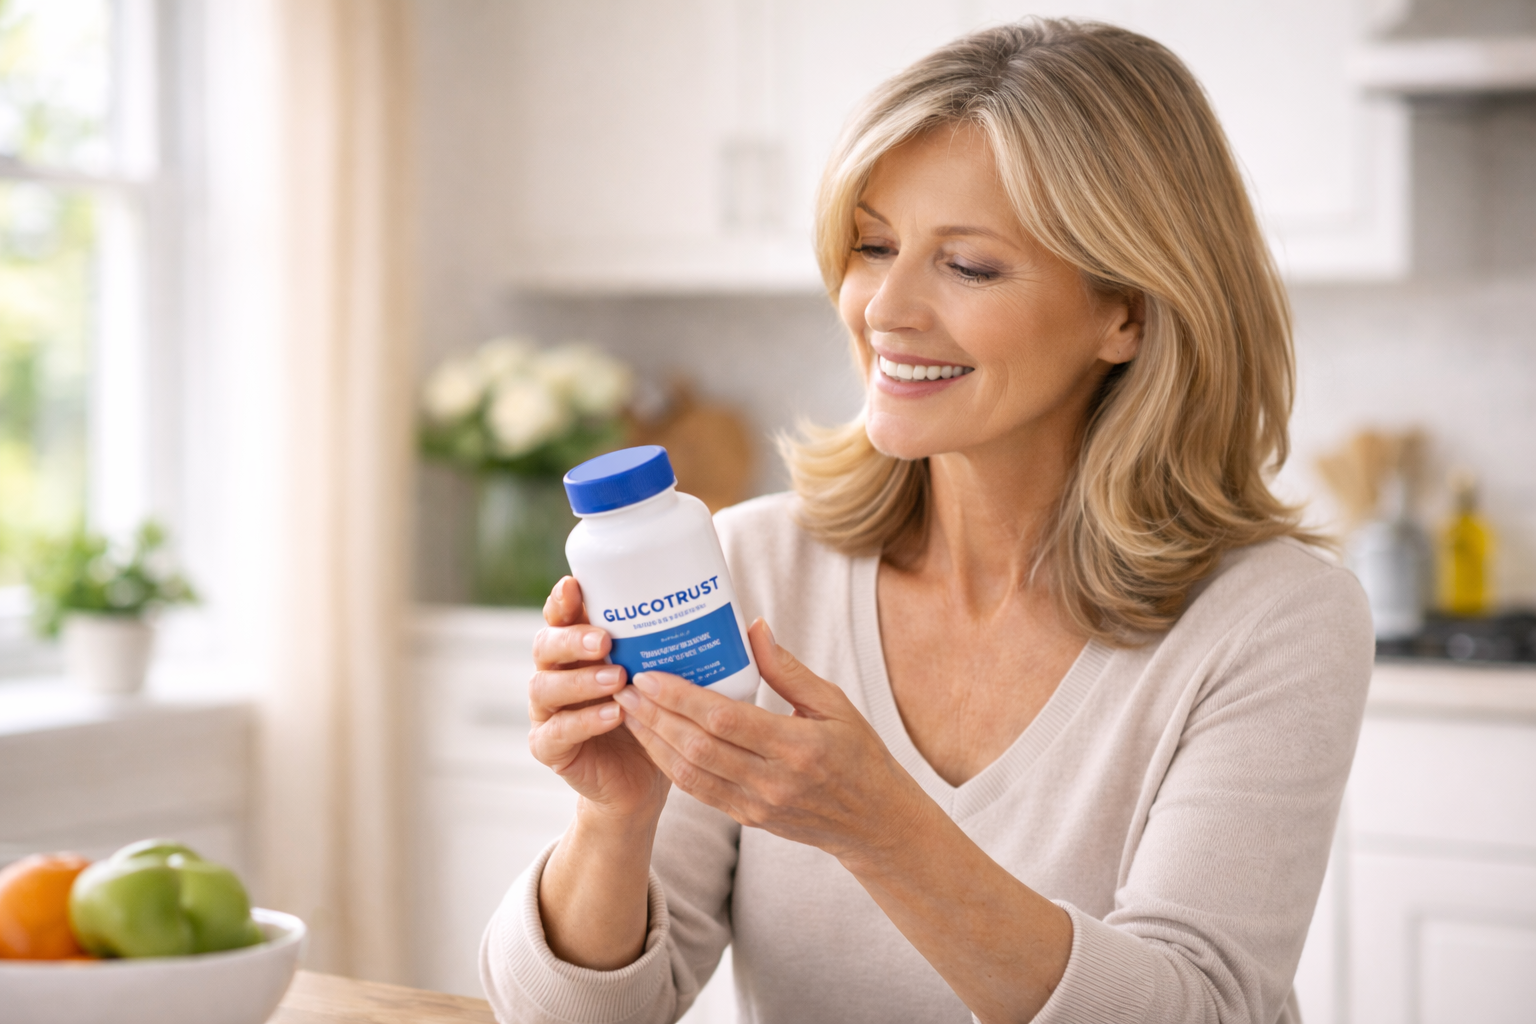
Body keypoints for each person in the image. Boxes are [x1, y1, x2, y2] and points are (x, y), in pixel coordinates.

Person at [481, 19, 1373, 1024]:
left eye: (971, 266)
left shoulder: (1274, 617)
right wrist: (616, 815)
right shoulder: (751, 566)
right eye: (873, 246)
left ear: (1126, 311)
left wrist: (881, 828)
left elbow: (1204, 1010)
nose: (885, 310)